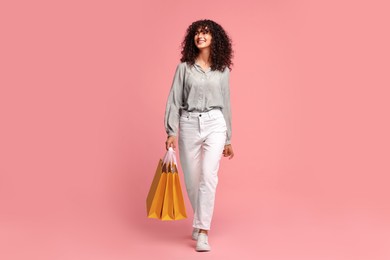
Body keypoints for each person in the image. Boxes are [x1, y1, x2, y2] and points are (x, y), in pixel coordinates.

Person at [164, 19, 234, 252]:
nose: (200, 36)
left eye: (205, 33)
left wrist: (228, 138)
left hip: (215, 123)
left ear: (215, 38)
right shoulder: (183, 68)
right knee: (192, 181)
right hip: (190, 123)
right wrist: (171, 131)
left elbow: (226, 104)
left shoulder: (222, 70)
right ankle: (199, 220)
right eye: (196, 33)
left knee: (208, 176)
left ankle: (203, 231)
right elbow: (174, 100)